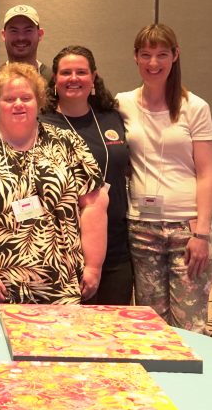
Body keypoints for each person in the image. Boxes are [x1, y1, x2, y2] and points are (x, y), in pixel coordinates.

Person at [0, 62, 108, 306]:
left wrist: (94, 266)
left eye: (26, 97)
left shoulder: (67, 143)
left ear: (38, 101)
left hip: (63, 284)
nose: (18, 104)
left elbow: (94, 204)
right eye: (9, 99)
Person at [116, 23, 212, 332]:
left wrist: (201, 234)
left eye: (162, 54)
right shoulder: (122, 103)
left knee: (189, 324)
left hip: (187, 227)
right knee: (152, 325)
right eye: (146, 55)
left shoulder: (195, 107)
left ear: (175, 55)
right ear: (135, 57)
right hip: (141, 227)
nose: (153, 63)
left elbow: (207, 173)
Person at [40, 46, 133, 305]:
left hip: (114, 241)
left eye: (81, 72)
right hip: (61, 247)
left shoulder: (112, 117)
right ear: (55, 79)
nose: (73, 78)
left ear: (93, 77)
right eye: (66, 72)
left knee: (114, 324)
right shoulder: (41, 123)